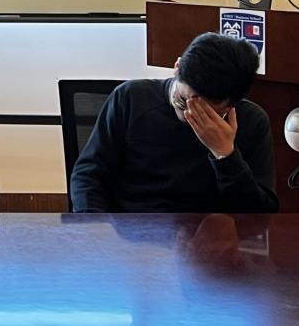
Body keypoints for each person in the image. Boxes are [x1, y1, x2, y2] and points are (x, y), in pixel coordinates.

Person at [70, 32, 277, 213]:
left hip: (210, 235)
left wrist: (225, 155)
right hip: (134, 227)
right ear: (177, 68)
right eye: (182, 101)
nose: (188, 113)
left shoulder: (252, 121)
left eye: (206, 112)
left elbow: (260, 214)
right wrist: (95, 224)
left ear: (231, 104)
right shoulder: (131, 98)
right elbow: (89, 174)